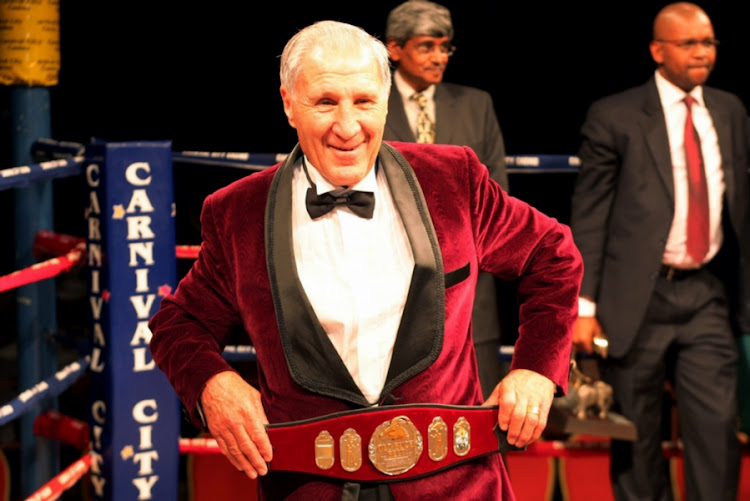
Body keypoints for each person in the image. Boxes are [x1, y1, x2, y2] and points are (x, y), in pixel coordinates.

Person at [149, 19, 582, 501]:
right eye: (326, 102)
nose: (348, 127)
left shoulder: (452, 178)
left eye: (364, 101)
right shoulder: (237, 212)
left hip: (457, 487)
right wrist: (213, 384)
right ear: (289, 103)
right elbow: (178, 324)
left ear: (387, 98)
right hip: (311, 490)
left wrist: (537, 368)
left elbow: (553, 255)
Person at [569, 3, 750, 500]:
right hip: (635, 300)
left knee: (716, 431)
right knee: (638, 438)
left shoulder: (730, 110)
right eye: (689, 42)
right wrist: (584, 306)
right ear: (658, 50)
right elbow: (590, 214)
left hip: (706, 292)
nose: (702, 52)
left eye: (709, 42)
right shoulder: (616, 114)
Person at [383, 0, 510, 398]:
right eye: (427, 47)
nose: (439, 57)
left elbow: (497, 195)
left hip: (470, 291)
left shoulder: (476, 104)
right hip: (391, 285)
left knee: (480, 423)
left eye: (445, 47)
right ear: (394, 49)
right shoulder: (368, 103)